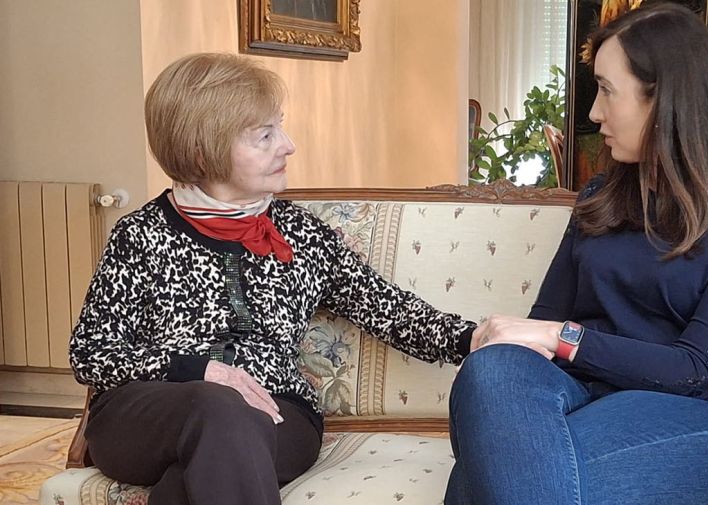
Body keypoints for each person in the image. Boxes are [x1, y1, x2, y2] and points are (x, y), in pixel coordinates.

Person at [69, 53, 475, 505]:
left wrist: (480, 338)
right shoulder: (140, 235)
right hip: (148, 414)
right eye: (265, 135)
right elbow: (92, 353)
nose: (288, 145)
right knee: (217, 406)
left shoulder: (303, 235)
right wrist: (200, 370)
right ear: (204, 150)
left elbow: (391, 311)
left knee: (214, 453)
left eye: (279, 127)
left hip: (278, 415)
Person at [444, 4, 708, 505]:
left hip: (694, 415)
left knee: (487, 477)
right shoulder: (600, 196)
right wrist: (517, 354)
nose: (592, 112)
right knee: (492, 371)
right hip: (575, 396)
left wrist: (563, 339)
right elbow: (544, 322)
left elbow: (699, 368)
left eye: (607, 90)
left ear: (665, 98)